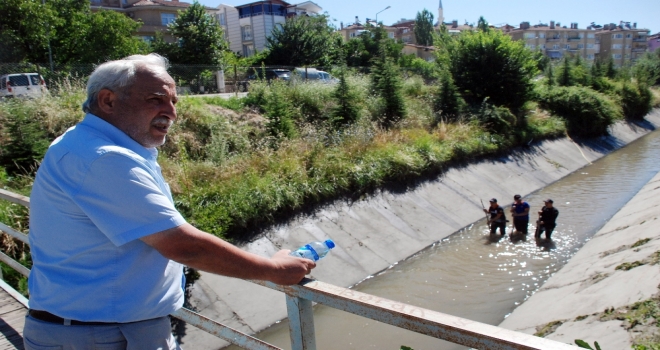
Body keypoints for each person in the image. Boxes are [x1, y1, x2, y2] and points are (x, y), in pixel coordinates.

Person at [25, 54, 316, 349]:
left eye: (174, 101)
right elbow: (182, 244)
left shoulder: (81, 142)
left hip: (91, 329)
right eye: (156, 99)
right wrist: (274, 269)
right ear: (108, 101)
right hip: (101, 337)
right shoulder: (105, 158)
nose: (172, 113)